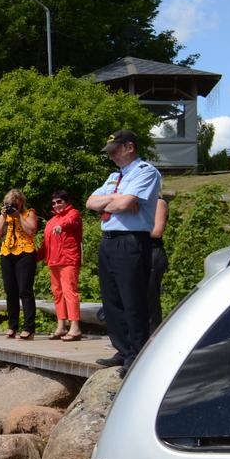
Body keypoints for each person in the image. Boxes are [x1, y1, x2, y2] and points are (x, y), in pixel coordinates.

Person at [85, 129, 161, 377]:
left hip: (131, 240)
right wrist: (116, 199)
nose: (112, 156)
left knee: (132, 299)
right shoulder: (113, 177)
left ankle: (137, 353)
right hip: (109, 240)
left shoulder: (146, 172)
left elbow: (125, 204)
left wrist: (115, 201)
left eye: (115, 150)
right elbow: (89, 203)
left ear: (130, 147)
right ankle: (122, 348)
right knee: (112, 299)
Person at [38, 189, 83, 341]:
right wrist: (34, 257)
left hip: (68, 259)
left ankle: (75, 328)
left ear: (66, 201)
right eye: (54, 203)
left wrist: (62, 226)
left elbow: (71, 222)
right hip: (53, 261)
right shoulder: (51, 222)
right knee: (57, 293)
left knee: (70, 292)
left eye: (59, 202)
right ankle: (61, 326)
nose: (56, 205)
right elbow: (45, 244)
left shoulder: (73, 213)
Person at [0, 189, 39, 339]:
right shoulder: (5, 216)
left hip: (25, 253)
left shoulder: (28, 213)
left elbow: (31, 230)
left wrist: (18, 216)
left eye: (14, 203)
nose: (12, 206)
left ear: (21, 202)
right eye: (9, 203)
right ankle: (12, 326)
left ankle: (29, 328)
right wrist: (3, 216)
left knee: (25, 290)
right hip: (7, 253)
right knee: (10, 291)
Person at [147, 196, 169, 332]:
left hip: (153, 252)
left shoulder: (159, 202)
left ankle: (153, 334)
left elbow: (157, 231)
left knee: (150, 297)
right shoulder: (139, 202)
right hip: (137, 252)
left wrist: (132, 229)